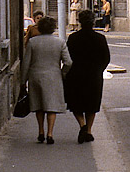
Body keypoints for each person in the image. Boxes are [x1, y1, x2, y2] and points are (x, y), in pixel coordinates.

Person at [21, 16, 72, 144]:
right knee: (51, 105)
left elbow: (26, 63)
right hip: (53, 77)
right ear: (53, 28)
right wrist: (62, 72)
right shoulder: (59, 42)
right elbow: (68, 62)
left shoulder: (33, 42)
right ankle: (50, 133)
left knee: (39, 105)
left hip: (35, 76)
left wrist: (23, 81)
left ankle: (40, 131)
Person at [64, 10, 111, 143]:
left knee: (76, 103)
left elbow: (67, 57)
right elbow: (106, 58)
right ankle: (89, 130)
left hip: (76, 74)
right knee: (92, 103)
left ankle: (82, 126)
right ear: (93, 22)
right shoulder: (100, 38)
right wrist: (99, 69)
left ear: (80, 21)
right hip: (93, 75)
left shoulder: (73, 38)